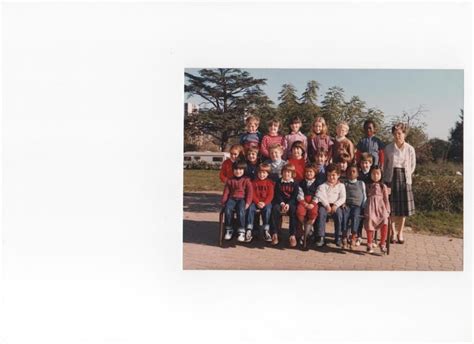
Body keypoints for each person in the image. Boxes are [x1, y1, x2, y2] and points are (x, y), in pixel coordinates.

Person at [383, 123, 416, 244]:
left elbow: (412, 166)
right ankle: (392, 232)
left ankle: (400, 232)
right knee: (391, 208)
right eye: (395, 133)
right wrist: (386, 180)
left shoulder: (410, 149)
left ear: (404, 134)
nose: (397, 136)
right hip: (391, 178)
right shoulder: (388, 148)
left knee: (403, 209)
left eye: (400, 133)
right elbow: (385, 165)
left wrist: (405, 176)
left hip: (404, 179)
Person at [221, 161, 253, 242]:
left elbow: (250, 193)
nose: (238, 171)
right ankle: (229, 229)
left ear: (244, 170)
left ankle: (241, 231)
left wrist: (248, 203)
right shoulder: (230, 180)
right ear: (233, 170)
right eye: (236, 169)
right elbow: (226, 192)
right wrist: (224, 201)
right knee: (227, 210)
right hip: (232, 199)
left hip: (242, 199)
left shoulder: (246, 180)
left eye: (240, 169)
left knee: (241, 211)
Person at [315, 163, 346, 247]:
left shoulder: (341, 186)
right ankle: (321, 236)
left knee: (339, 215)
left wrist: (336, 205)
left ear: (338, 175)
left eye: (333, 175)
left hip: (336, 205)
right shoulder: (323, 186)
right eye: (329, 175)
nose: (331, 177)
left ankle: (338, 237)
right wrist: (326, 205)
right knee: (321, 214)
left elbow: (343, 198)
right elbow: (320, 196)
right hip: (325, 205)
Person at [270, 163, 299, 247]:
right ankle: (274, 234)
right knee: (275, 209)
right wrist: (282, 203)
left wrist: (289, 204)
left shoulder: (295, 183)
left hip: (291, 202)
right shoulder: (279, 182)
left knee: (294, 211)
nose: (286, 174)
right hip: (280, 202)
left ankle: (292, 235)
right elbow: (277, 194)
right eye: (285, 172)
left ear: (292, 174)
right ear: (282, 173)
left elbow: (294, 196)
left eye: (289, 173)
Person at [364, 166, 390, 253]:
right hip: (370, 206)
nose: (375, 176)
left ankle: (382, 243)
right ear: (370, 174)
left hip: (380, 207)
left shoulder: (383, 186)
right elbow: (364, 196)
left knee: (385, 220)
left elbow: (386, 199)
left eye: (377, 173)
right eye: (373, 173)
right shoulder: (368, 185)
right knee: (370, 219)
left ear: (381, 175)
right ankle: (369, 243)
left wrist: (387, 210)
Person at [246, 163, 274, 242]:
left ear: (267, 174)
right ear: (257, 173)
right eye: (260, 173)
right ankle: (249, 229)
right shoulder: (253, 182)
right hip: (256, 202)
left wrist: (264, 203)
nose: (262, 175)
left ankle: (266, 230)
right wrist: (257, 202)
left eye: (264, 173)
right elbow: (252, 194)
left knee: (268, 209)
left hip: (266, 202)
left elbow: (270, 195)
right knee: (250, 208)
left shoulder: (270, 183)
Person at [342, 164, 367, 249]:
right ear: (346, 173)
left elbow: (364, 195)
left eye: (353, 172)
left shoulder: (361, 183)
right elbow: (342, 195)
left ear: (357, 174)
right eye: (349, 172)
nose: (351, 173)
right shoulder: (344, 183)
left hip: (357, 206)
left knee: (356, 217)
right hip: (347, 205)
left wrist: (363, 206)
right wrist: (343, 203)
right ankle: (344, 236)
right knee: (344, 216)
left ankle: (353, 237)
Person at [296, 164, 319, 246]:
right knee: (299, 211)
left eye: (311, 172)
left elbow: (318, 194)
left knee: (313, 213)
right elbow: (299, 194)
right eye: (307, 172)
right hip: (303, 201)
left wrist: (312, 204)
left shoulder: (317, 183)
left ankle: (309, 229)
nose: (309, 173)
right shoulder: (301, 182)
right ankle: (304, 225)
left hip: (313, 202)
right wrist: (304, 203)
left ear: (314, 173)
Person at [355, 152, 373, 246]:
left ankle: (371, 238)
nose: (364, 165)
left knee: (371, 217)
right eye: (362, 163)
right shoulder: (358, 174)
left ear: (370, 163)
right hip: (360, 200)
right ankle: (359, 236)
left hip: (371, 201)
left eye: (366, 163)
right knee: (359, 215)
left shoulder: (373, 174)